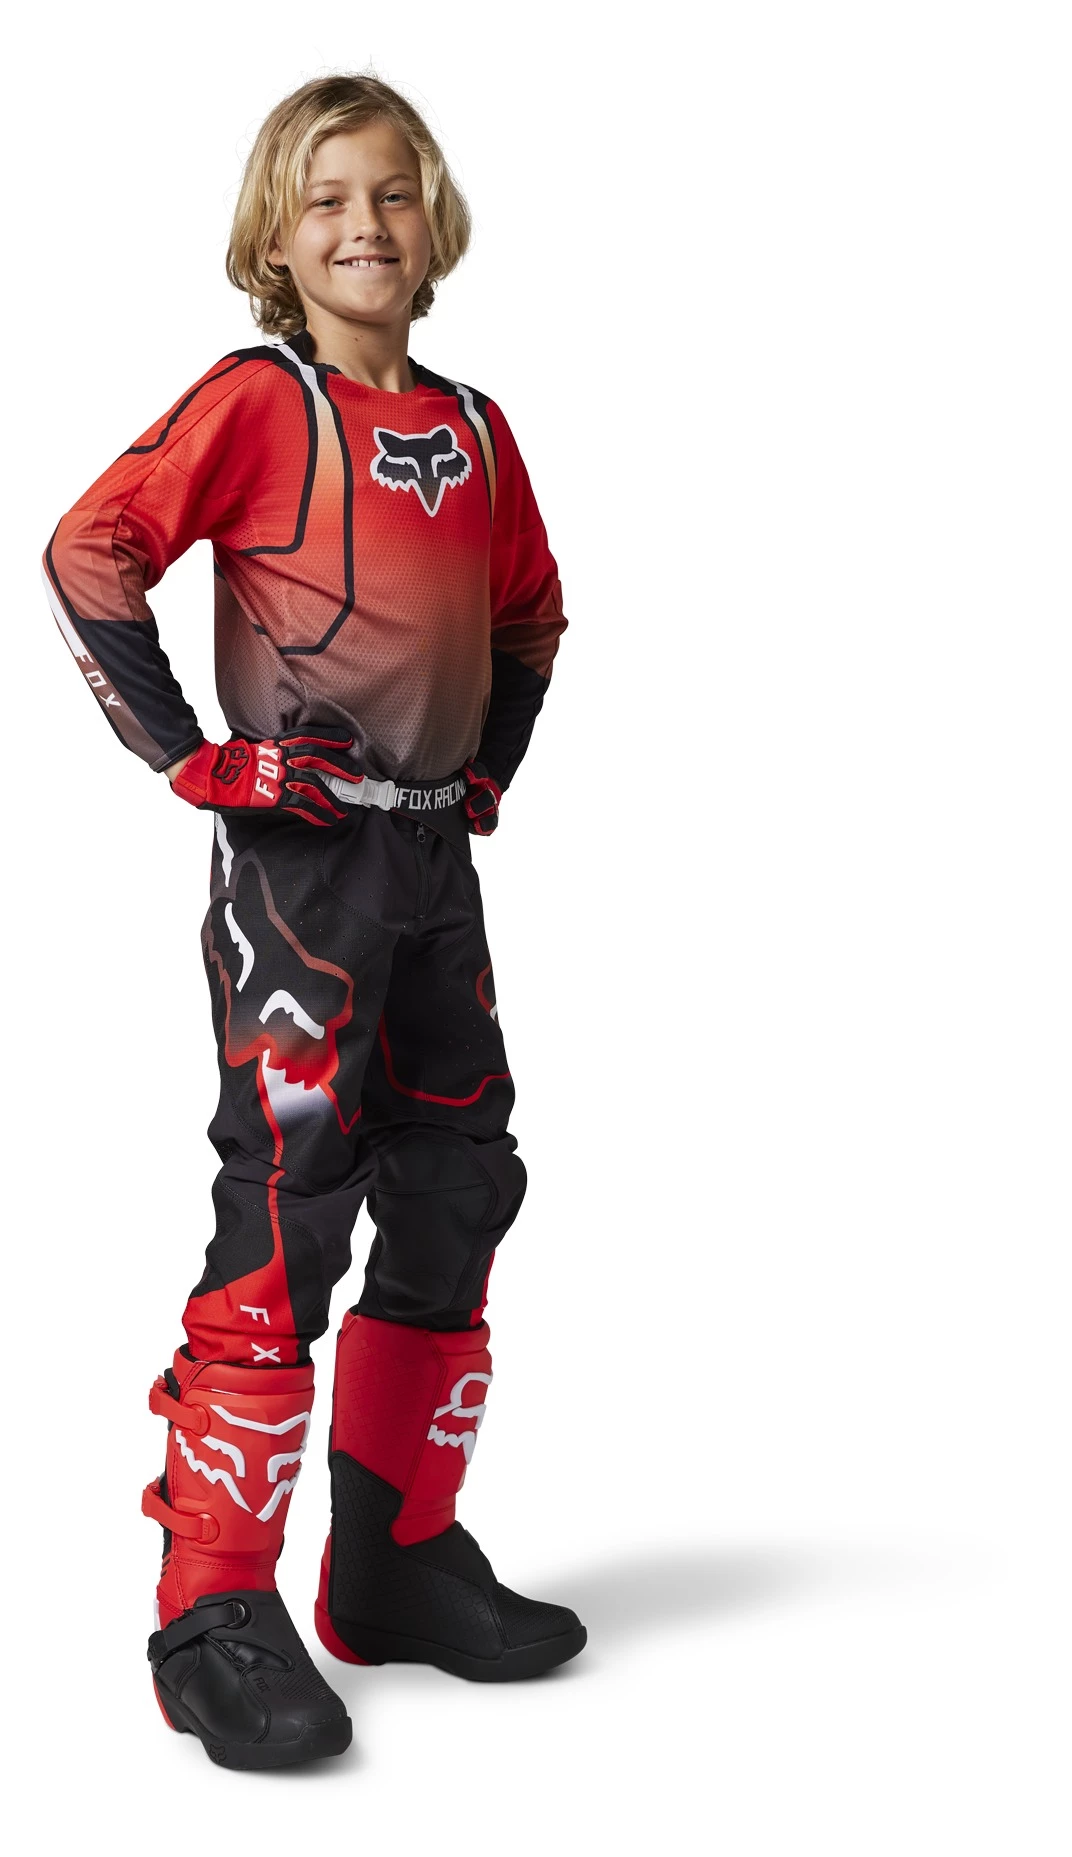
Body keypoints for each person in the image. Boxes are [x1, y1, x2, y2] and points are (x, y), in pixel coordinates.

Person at [40, 71, 585, 1771]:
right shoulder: (259, 399)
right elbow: (88, 553)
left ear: (437, 224)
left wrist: (481, 778)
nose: (366, 224)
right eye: (329, 196)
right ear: (276, 235)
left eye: (395, 193)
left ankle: (394, 1557)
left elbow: (533, 614)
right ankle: (211, 1608)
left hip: (433, 871)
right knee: (288, 1208)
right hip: (303, 875)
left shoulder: (478, 429)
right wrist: (196, 761)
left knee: (460, 1177)